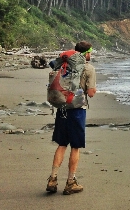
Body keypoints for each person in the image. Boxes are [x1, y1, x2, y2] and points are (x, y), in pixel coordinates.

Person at [46, 41, 97, 195]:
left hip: (62, 108)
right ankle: (70, 182)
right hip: (77, 111)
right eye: (90, 52)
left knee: (62, 144)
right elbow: (91, 93)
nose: (91, 55)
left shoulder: (64, 65)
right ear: (86, 53)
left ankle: (52, 179)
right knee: (75, 146)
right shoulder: (88, 68)